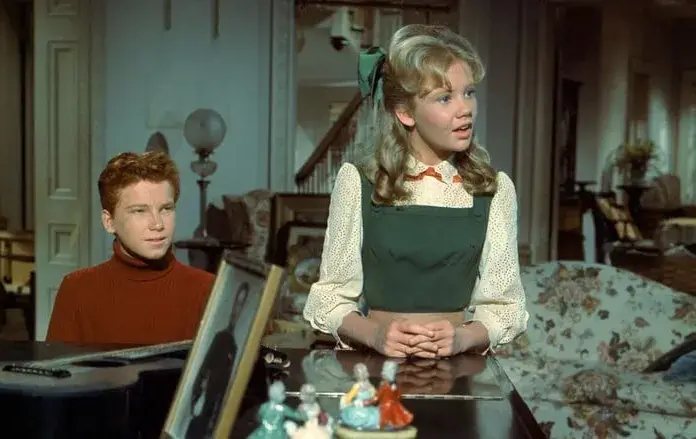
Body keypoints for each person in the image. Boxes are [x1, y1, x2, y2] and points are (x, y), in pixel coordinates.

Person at [302, 24, 529, 358]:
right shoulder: (359, 181)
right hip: (377, 363)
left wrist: (462, 338)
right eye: (445, 98)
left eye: (468, 93)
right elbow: (329, 298)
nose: (465, 109)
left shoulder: (493, 189)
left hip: (456, 367)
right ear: (405, 113)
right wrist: (376, 336)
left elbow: (506, 306)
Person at [46, 151, 214, 345]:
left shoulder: (207, 289)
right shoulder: (77, 290)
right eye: (140, 211)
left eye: (166, 209)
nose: (157, 224)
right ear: (109, 222)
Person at [185, 282, 249, 438]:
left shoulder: (233, 347)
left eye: (241, 305)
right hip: (201, 410)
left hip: (210, 414)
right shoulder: (220, 338)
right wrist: (197, 399)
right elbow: (203, 370)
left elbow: (223, 389)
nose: (237, 310)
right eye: (237, 304)